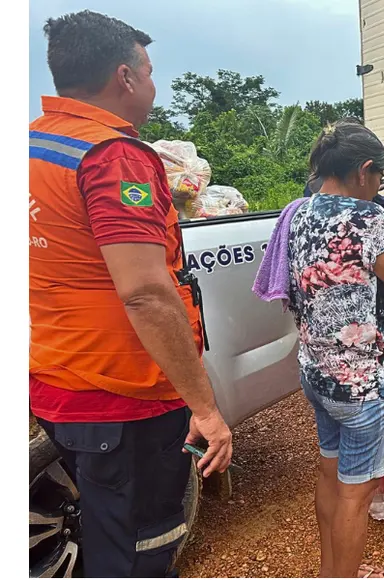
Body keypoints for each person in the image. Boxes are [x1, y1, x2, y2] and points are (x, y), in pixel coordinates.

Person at [29, 10, 232, 577]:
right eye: (149, 72)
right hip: (125, 396)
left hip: (54, 380)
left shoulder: (33, 146)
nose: (152, 85)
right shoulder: (113, 158)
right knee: (141, 552)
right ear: (124, 77)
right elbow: (146, 292)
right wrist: (206, 409)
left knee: (104, 530)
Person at [289, 120, 384, 577]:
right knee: (357, 492)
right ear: (364, 170)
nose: (378, 188)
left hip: (317, 372)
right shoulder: (369, 218)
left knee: (331, 473)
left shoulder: (298, 213)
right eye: (380, 179)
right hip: (363, 383)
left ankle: (330, 572)